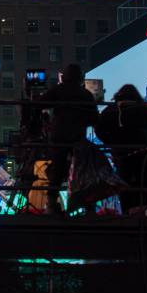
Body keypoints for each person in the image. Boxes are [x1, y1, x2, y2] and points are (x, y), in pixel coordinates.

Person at [40, 64, 99, 213]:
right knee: (82, 172)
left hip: (59, 137)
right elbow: (94, 118)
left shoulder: (59, 90)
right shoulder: (86, 94)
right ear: (80, 77)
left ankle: (52, 203)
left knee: (57, 171)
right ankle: (88, 205)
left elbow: (40, 103)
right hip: (78, 137)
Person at [95, 84, 147, 213]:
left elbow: (99, 130)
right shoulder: (146, 109)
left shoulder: (110, 111)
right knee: (144, 186)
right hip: (143, 155)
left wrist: (111, 143)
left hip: (121, 155)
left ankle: (127, 214)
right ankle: (145, 215)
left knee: (124, 186)